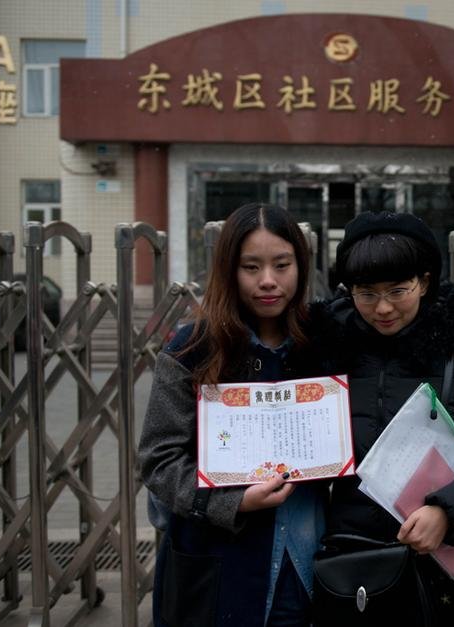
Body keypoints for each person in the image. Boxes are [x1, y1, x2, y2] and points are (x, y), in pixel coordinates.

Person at [309, 211, 454, 625]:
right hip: (351, 561)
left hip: (441, 564)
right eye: (366, 293)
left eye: (398, 290)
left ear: (424, 283)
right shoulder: (327, 355)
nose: (383, 308)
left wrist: (448, 512)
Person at [138, 203, 325, 627]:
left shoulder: (323, 342)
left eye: (282, 265)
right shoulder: (191, 350)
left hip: (305, 563)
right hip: (217, 569)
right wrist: (232, 502)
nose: (268, 280)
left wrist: (447, 334)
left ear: (301, 266)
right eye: (251, 267)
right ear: (228, 270)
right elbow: (158, 461)